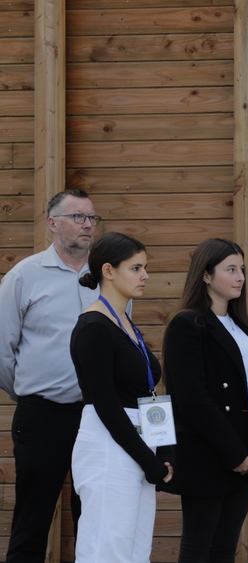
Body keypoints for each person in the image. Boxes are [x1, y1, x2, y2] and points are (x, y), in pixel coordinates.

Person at [159, 238, 248, 563]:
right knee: (198, 550)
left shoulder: (245, 329)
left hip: (247, 458)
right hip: (208, 455)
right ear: (206, 276)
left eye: (242, 270)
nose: (240, 277)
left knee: (225, 551)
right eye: (230, 269)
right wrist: (233, 453)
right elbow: (192, 399)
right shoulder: (188, 325)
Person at [0, 189, 100, 562]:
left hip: (96, 416)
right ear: (52, 223)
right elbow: (1, 352)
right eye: (78, 217)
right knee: (32, 520)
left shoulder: (107, 275)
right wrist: (31, 391)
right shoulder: (24, 275)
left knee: (93, 517)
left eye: (92, 218)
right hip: (42, 415)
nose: (87, 225)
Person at [70, 232, 174, 562]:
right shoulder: (94, 327)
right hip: (109, 447)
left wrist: (164, 447)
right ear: (109, 271)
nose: (145, 276)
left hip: (137, 443)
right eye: (136, 268)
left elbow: (145, 391)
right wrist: (147, 460)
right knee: (107, 548)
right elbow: (106, 405)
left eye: (145, 267)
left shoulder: (124, 322)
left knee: (135, 549)